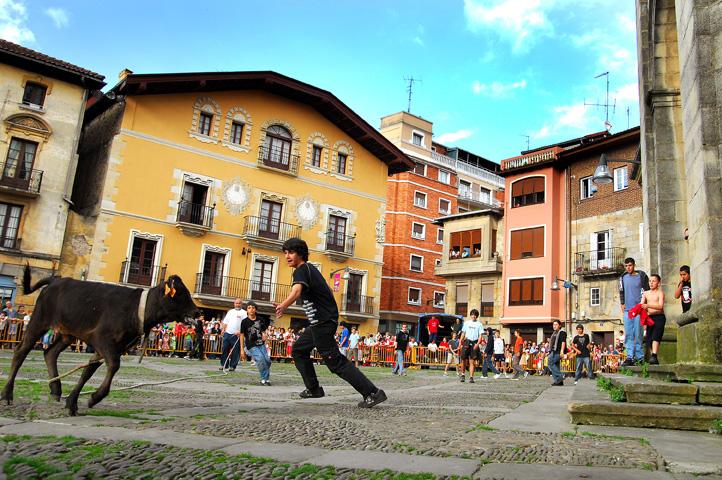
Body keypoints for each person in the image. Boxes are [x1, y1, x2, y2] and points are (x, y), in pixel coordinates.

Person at [275, 238, 386, 408]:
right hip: (319, 324)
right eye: (285, 253)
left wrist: (283, 304)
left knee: (336, 363)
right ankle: (313, 389)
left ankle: (372, 392)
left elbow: (296, 290)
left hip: (322, 323)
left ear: (300, 254)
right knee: (298, 350)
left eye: (291, 252)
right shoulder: (308, 270)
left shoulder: (302, 270)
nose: (287, 256)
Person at [619, 257, 650, 366]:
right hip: (628, 310)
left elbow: (647, 291)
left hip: (639, 309)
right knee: (629, 333)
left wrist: (646, 305)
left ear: (634, 265)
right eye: (626, 266)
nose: (628, 268)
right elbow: (621, 291)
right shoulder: (623, 277)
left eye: (630, 265)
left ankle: (640, 357)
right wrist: (622, 303)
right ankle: (630, 356)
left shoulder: (641, 276)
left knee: (638, 333)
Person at [239, 301, 272, 385]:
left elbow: (264, 330)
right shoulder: (244, 322)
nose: (251, 309)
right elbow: (242, 335)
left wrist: (265, 335)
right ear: (247, 310)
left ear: (256, 309)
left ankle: (266, 378)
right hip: (251, 345)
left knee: (267, 361)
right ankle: (264, 379)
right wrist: (242, 349)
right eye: (249, 308)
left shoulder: (260, 319)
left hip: (261, 344)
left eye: (253, 307)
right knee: (260, 359)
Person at [641, 274, 666, 365]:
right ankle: (653, 357)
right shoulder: (646, 293)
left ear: (658, 283)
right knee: (649, 339)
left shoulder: (660, 293)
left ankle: (654, 355)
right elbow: (641, 305)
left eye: (653, 281)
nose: (651, 283)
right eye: (650, 281)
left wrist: (648, 305)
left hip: (659, 317)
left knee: (656, 336)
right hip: (649, 317)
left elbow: (660, 306)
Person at [220, 298, 247, 371]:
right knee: (225, 349)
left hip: (237, 335)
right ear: (234, 304)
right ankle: (224, 364)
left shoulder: (244, 313)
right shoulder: (230, 312)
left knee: (235, 351)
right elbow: (226, 322)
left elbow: (245, 324)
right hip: (228, 333)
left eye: (239, 303)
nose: (237, 305)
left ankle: (232, 366)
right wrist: (223, 330)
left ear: (241, 304)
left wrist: (240, 331)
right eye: (236, 303)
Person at [458, 309, 483, 383]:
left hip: (474, 342)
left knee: (472, 361)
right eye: (472, 315)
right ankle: (463, 375)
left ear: (477, 316)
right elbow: (463, 333)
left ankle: (471, 377)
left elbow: (480, 336)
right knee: (463, 359)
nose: (473, 316)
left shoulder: (479, 324)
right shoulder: (466, 323)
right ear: (470, 315)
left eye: (475, 315)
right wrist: (460, 341)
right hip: (467, 342)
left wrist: (477, 344)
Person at [548, 320, 567, 386]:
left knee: (550, 364)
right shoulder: (554, 333)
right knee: (556, 365)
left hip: (558, 351)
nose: (554, 326)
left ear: (560, 325)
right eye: (553, 324)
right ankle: (558, 382)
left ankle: (561, 376)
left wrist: (562, 351)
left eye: (556, 324)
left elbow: (563, 342)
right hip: (553, 351)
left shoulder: (562, 332)